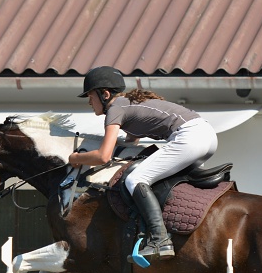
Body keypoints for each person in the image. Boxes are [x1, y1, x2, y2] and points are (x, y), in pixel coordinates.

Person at [69, 66, 218, 262]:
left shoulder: (115, 109)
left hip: (190, 137)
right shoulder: (127, 104)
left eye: (90, 96)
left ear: (104, 94)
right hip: (206, 136)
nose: (89, 101)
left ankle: (160, 239)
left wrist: (75, 158)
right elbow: (131, 143)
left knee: (135, 179)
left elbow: (104, 156)